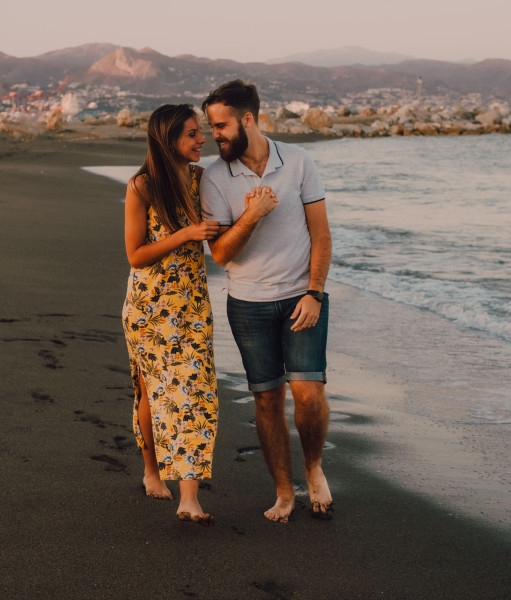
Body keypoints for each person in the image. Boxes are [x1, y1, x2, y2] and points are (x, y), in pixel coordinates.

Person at [200, 80, 333, 523]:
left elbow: (322, 234)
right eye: (210, 126)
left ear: (248, 119)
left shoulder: (297, 161)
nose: (214, 134)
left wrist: (314, 292)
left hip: (302, 297)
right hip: (249, 303)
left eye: (220, 125)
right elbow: (219, 254)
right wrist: (252, 216)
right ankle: (283, 492)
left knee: (308, 393)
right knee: (267, 400)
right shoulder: (215, 177)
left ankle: (313, 468)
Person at [122, 104, 221, 525]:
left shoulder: (202, 179)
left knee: (196, 391)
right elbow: (135, 254)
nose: (203, 140)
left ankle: (189, 498)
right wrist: (185, 234)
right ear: (169, 140)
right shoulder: (142, 186)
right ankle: (151, 472)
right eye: (193, 134)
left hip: (193, 304)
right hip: (149, 306)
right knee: (152, 392)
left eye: (202, 133)